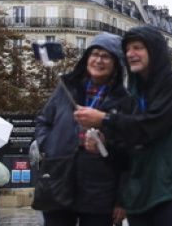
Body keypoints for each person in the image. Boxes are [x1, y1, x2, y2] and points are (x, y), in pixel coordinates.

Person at [75, 26, 172, 226]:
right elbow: (127, 152)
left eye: (137, 48)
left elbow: (152, 126)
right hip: (142, 192)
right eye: (127, 49)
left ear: (154, 51)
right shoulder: (132, 95)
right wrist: (105, 146)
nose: (130, 54)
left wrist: (105, 119)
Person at [34, 33, 129, 226]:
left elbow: (130, 153)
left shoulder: (124, 100)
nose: (98, 60)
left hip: (100, 189)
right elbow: (44, 121)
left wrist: (122, 200)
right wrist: (51, 145)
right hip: (59, 178)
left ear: (116, 63)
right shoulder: (66, 89)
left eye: (106, 56)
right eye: (94, 54)